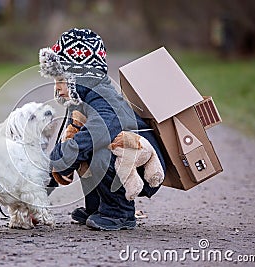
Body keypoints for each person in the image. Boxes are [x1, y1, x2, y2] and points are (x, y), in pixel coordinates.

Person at [39, 28, 166, 230]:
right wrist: (35, 195)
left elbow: (101, 132)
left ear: (78, 77)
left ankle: (120, 212)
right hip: (124, 157)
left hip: (140, 161)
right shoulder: (80, 99)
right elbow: (67, 147)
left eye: (60, 80)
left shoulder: (103, 96)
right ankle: (98, 207)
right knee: (79, 145)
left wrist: (65, 155)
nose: (57, 88)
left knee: (97, 149)